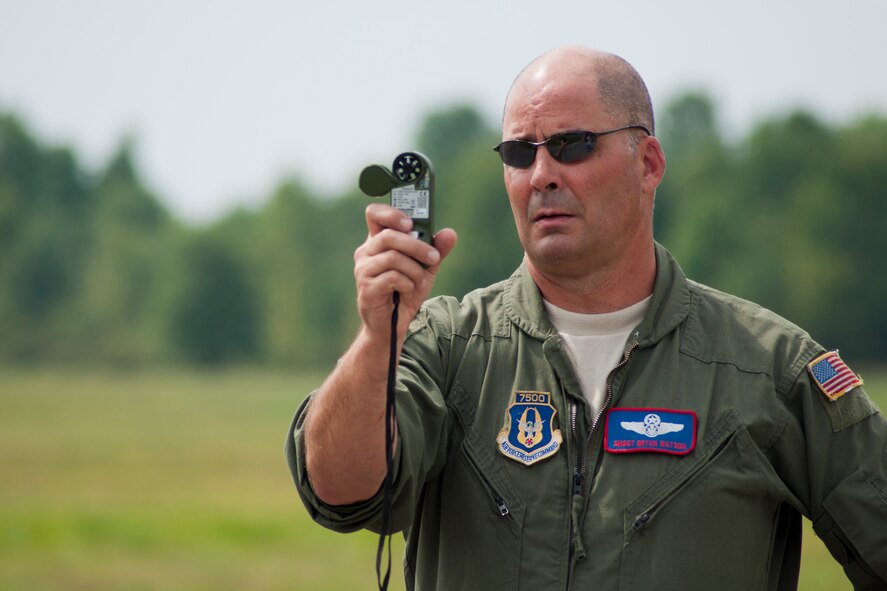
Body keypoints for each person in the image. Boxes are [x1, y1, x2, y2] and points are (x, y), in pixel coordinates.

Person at [285, 45, 887, 589]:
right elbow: (340, 491)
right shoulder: (444, 345)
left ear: (648, 163)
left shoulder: (769, 367)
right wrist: (377, 338)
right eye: (520, 153)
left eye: (572, 145)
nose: (542, 174)